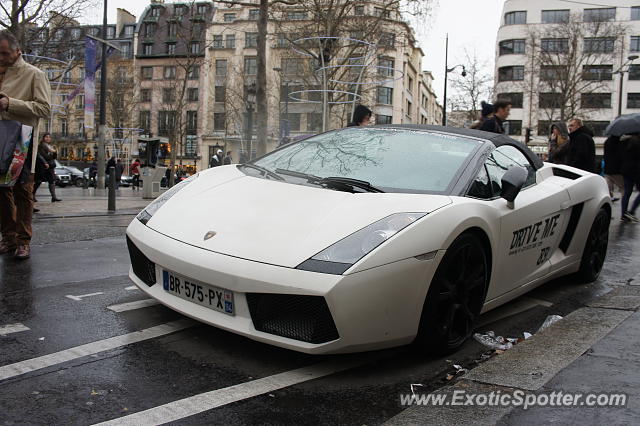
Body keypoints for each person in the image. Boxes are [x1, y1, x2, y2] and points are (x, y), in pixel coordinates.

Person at [0, 30, 51, 259]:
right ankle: (8, 238)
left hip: (21, 139)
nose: (1, 58)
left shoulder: (34, 74)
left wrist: (10, 103)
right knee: (1, 191)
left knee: (22, 191)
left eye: (5, 53)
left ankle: (23, 240)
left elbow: (44, 109)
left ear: (17, 51)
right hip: (0, 138)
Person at [33, 133, 62, 203]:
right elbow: (43, 156)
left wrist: (55, 152)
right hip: (43, 166)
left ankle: (54, 197)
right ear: (43, 138)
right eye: (46, 137)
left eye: (49, 137)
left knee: (52, 181)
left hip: (50, 166)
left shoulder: (51, 146)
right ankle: (32, 195)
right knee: (38, 181)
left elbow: (54, 157)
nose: (48, 138)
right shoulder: (41, 146)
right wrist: (51, 153)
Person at [620, 134, 640, 223]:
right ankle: (631, 211)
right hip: (636, 170)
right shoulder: (637, 142)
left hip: (626, 169)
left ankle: (624, 213)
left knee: (627, 192)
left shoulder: (623, 142)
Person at [603, 135, 624, 202]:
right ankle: (624, 203)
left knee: (608, 187)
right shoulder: (621, 143)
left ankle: (609, 198)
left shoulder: (607, 142)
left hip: (607, 169)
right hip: (617, 170)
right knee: (623, 188)